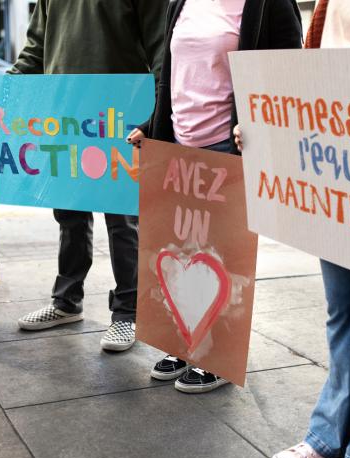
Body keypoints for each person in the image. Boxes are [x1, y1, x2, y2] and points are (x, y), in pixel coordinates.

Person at [235, 1, 350, 458]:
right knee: (344, 315)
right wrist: (265, 124)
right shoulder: (328, 5)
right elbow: (310, 86)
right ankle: (331, 436)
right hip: (340, 179)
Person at [0, 0, 168, 351]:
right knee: (69, 213)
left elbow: (161, 49)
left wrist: (155, 115)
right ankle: (66, 302)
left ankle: (127, 313)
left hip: (120, 111)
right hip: (64, 113)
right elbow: (35, 50)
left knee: (123, 219)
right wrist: (0, 95)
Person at [128, 0, 303, 393]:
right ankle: (183, 344)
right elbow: (173, 77)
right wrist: (151, 128)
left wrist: (260, 124)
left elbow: (291, 71)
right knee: (182, 249)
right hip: (178, 146)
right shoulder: (182, 2)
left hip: (228, 147)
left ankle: (216, 357)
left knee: (222, 257)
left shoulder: (266, 4)